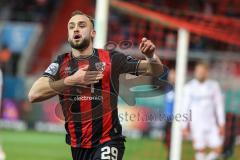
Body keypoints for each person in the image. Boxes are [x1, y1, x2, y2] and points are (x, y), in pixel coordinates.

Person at [28, 10, 164, 160]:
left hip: (109, 141)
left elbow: (156, 70)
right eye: (71, 27)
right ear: (68, 35)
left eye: (81, 25)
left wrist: (151, 56)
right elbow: (34, 94)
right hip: (78, 146)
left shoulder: (112, 59)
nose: (76, 29)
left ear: (93, 33)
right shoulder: (60, 62)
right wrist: (71, 80)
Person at [182, 62, 225, 160]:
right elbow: (185, 107)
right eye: (198, 71)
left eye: (202, 71)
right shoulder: (189, 87)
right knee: (200, 150)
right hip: (196, 125)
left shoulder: (214, 86)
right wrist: (184, 125)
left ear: (206, 72)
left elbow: (219, 106)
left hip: (211, 124)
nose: (200, 73)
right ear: (195, 72)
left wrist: (222, 123)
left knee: (218, 149)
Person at [163, 69, 175, 160]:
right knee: (167, 141)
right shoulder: (167, 87)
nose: (172, 77)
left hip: (176, 119)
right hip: (168, 118)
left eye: (174, 75)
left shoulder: (180, 88)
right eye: (171, 75)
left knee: (173, 141)